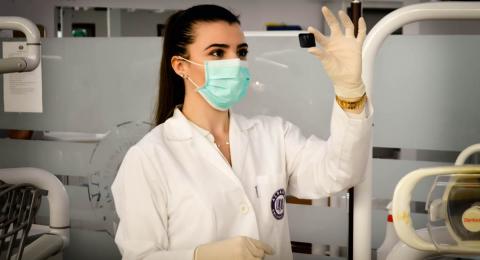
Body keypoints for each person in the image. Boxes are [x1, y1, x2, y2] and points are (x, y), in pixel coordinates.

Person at [111, 4, 373, 260]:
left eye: (241, 51)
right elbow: (140, 255)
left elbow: (341, 172)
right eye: (217, 53)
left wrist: (350, 91)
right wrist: (198, 256)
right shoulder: (148, 158)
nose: (234, 63)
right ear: (180, 65)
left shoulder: (273, 135)